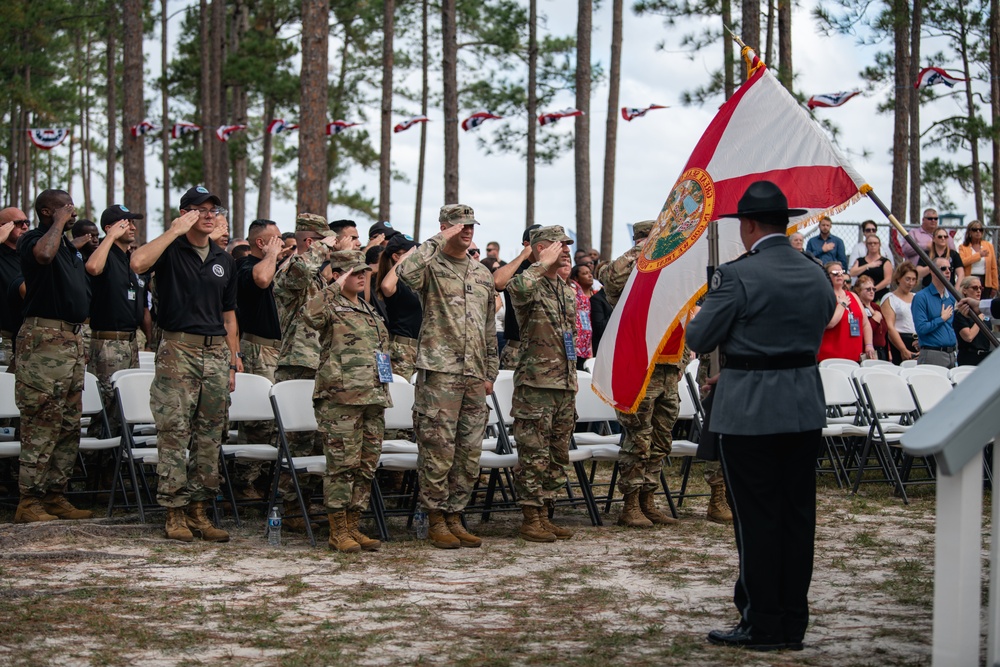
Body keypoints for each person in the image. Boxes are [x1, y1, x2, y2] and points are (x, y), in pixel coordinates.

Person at [686, 180, 836, 652]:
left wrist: (741, 362)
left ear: (748, 225)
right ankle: (792, 620)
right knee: (797, 516)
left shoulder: (736, 276)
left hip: (749, 409)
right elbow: (818, 322)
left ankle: (761, 621)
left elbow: (700, 337)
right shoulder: (816, 272)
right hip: (803, 404)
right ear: (784, 222)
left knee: (756, 520)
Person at [130, 185, 241, 542]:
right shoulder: (170, 248)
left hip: (216, 353)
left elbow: (229, 316)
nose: (209, 215)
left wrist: (232, 363)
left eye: (214, 209)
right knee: (175, 433)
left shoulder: (224, 259)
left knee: (210, 435)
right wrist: (174, 231)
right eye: (200, 209)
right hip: (178, 350)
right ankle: (174, 512)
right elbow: (137, 263)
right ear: (185, 213)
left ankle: (199, 509)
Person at [397, 204, 499, 549]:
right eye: (459, 225)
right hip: (440, 372)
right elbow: (404, 273)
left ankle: (456, 515)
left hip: (474, 373)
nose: (467, 230)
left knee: (468, 452)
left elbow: (488, 327)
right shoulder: (432, 265)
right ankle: (435, 517)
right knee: (438, 449)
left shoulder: (482, 273)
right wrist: (437, 240)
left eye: (471, 224)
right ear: (445, 227)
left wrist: (490, 372)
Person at [301, 250, 391, 553]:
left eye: (364, 271)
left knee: (366, 466)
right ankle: (337, 529)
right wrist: (332, 286)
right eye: (354, 272)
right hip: (340, 398)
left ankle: (354, 525)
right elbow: (309, 316)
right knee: (342, 465)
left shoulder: (368, 308)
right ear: (340, 275)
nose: (362, 276)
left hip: (373, 397)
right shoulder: (330, 304)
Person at [13, 189, 93, 523]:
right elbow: (44, 255)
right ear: (47, 212)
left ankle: (55, 494)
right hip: (44, 340)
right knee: (41, 420)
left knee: (67, 423)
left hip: (72, 340)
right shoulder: (34, 239)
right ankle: (29, 501)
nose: (71, 210)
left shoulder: (66, 248)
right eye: (64, 207)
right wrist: (59, 223)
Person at [600, 220, 685, 527]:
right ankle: (631, 503)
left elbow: (682, 313)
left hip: (668, 367)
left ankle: (649, 498)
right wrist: (643, 249)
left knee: (662, 440)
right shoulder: (629, 275)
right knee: (638, 439)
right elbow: (610, 278)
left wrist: (682, 362)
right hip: (640, 368)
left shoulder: (671, 272)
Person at [507, 225, 578, 542]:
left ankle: (545, 513)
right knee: (533, 455)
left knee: (557, 455)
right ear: (540, 248)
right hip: (536, 385)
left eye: (567, 244)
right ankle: (530, 518)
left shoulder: (565, 290)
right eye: (559, 244)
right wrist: (537, 263)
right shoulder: (530, 283)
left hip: (564, 383)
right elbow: (516, 288)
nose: (565, 249)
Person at [272, 213, 340, 526]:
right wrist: (323, 250)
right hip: (298, 364)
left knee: (315, 439)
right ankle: (289, 507)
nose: (334, 245)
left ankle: (306, 502)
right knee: (297, 439)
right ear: (311, 242)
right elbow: (299, 270)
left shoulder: (316, 277)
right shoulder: (292, 269)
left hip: (320, 364)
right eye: (327, 240)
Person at [85, 205, 149, 438]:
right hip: (107, 342)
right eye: (125, 222)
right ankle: (97, 468)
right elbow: (92, 268)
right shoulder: (103, 254)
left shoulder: (128, 260)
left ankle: (119, 464)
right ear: (109, 227)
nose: (132, 227)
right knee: (106, 406)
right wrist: (109, 237)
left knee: (126, 406)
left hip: (130, 342)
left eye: (133, 222)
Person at [233, 218, 284, 498]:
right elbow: (262, 279)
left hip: (278, 348)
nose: (280, 242)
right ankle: (244, 481)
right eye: (274, 238)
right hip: (257, 347)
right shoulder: (244, 267)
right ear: (260, 243)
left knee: (276, 420)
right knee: (256, 419)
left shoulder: (275, 264)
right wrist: (273, 254)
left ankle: (266, 479)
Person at [493, 224, 541, 371]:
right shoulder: (517, 268)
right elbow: (497, 282)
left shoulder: (549, 270)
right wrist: (522, 256)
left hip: (545, 351)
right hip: (518, 349)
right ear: (527, 244)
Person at [377, 234, 422, 381]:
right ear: (396, 256)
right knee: (398, 395)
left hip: (421, 349)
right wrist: (403, 260)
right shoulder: (396, 283)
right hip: (400, 350)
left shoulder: (415, 282)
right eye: (413, 253)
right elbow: (386, 287)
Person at [819, 262, 875, 362]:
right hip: (831, 357)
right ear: (827, 276)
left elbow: (865, 323)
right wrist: (842, 305)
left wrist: (869, 345)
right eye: (835, 273)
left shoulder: (853, 296)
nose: (839, 275)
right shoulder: (824, 296)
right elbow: (829, 323)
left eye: (841, 272)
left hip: (854, 355)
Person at [911, 256, 958, 368]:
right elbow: (921, 328)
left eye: (950, 269)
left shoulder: (951, 297)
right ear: (932, 270)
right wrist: (941, 319)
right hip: (932, 354)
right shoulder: (921, 297)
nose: (947, 271)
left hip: (952, 354)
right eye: (943, 268)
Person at [0, 208, 30, 365]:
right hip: (3, 338)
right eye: (19, 223)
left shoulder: (28, 255)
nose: (25, 227)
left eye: (27, 222)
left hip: (28, 338)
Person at [881, 261, 919, 364]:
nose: (910, 283)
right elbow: (890, 327)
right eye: (907, 279)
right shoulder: (890, 298)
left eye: (913, 280)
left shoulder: (917, 297)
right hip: (899, 341)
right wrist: (903, 349)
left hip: (917, 341)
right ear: (899, 278)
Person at [954, 276, 992, 366]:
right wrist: (979, 318)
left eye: (980, 288)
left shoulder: (984, 312)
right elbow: (968, 337)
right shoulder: (960, 313)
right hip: (969, 357)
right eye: (975, 288)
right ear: (965, 290)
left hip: (985, 357)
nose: (978, 291)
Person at [958, 220, 997, 299]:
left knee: (984, 305)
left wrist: (995, 286)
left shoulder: (988, 246)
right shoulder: (963, 247)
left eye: (980, 230)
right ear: (969, 232)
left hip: (985, 281)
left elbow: (993, 267)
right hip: (969, 279)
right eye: (975, 230)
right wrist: (978, 255)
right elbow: (962, 262)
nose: (978, 232)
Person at [853, 276, 888, 361]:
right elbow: (862, 330)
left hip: (882, 350)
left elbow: (885, 330)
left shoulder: (876, 307)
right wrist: (875, 320)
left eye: (873, 289)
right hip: (867, 350)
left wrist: (888, 351)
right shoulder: (857, 307)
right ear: (859, 291)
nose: (872, 292)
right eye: (868, 289)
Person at [849, 234, 892, 301]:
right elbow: (852, 272)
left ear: (879, 245)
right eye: (870, 243)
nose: (873, 245)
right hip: (862, 295)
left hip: (879, 294)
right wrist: (867, 265)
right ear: (866, 245)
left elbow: (888, 280)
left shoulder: (885, 261)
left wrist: (872, 289)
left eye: (875, 243)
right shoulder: (860, 260)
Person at [568, 263, 595, 370]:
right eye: (584, 273)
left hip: (588, 343)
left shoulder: (596, 294)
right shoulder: (573, 293)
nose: (590, 275)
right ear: (576, 278)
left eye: (590, 273)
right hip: (576, 343)